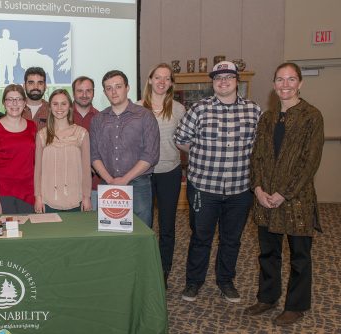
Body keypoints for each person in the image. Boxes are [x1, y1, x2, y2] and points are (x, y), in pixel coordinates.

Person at [174, 61, 261, 303]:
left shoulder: (253, 110)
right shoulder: (199, 109)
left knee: (231, 239)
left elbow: (259, 147)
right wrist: (203, 156)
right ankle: (194, 282)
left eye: (228, 77)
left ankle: (226, 281)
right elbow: (181, 140)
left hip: (240, 189)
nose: (223, 82)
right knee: (200, 237)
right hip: (204, 187)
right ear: (213, 83)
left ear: (236, 81)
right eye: (218, 78)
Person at [245, 62, 324, 325]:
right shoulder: (267, 117)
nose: (285, 85)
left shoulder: (312, 116)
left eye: (291, 80)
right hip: (264, 198)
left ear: (300, 83)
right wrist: (257, 188)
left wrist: (283, 193)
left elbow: (309, 161)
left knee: (299, 256)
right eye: (280, 80)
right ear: (274, 85)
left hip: (296, 200)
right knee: (268, 253)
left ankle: (296, 306)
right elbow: (257, 156)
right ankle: (267, 298)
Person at [137, 63, 186, 288]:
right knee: (142, 224)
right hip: (142, 174)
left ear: (171, 83)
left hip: (169, 172)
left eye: (167, 78)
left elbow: (185, 141)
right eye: (158, 77)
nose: (162, 82)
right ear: (149, 80)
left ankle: (163, 270)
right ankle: (142, 267)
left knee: (167, 226)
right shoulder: (136, 108)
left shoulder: (179, 109)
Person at [89, 69, 160, 226]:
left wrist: (125, 180)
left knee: (141, 231)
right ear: (104, 92)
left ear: (127, 88)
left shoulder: (145, 116)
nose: (114, 92)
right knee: (111, 235)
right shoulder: (97, 120)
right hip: (108, 184)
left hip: (139, 184)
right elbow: (94, 155)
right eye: (109, 88)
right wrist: (110, 180)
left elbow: (151, 155)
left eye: (118, 86)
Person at [34, 89, 91, 213]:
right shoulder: (42, 135)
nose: (59, 107)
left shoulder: (81, 133)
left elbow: (86, 170)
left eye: (63, 103)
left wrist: (86, 197)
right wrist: (38, 197)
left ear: (70, 107)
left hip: (76, 199)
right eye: (55, 104)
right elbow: (38, 170)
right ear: (50, 108)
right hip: (48, 201)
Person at [0, 84, 37, 214]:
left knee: (29, 233)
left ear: (25, 103)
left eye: (18, 99)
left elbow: (36, 162)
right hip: (4, 195)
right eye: (10, 99)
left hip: (29, 194)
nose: (14, 103)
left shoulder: (32, 127)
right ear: (4, 103)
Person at [72, 76, 102, 210]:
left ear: (93, 93)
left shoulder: (102, 119)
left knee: (92, 228)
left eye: (88, 91)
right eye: (80, 91)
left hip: (94, 185)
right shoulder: (61, 117)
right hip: (67, 186)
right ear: (73, 93)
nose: (84, 95)